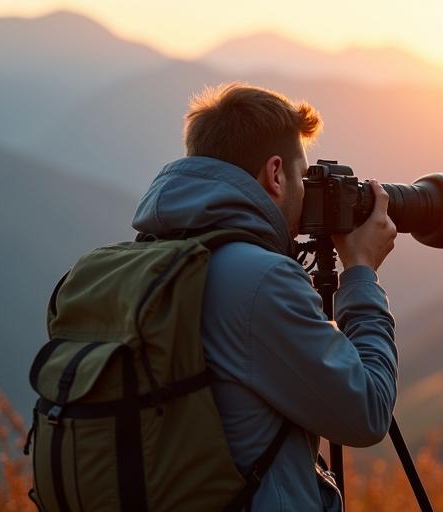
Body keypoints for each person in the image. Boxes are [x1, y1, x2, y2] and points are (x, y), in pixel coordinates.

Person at [130, 82, 398, 511]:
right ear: (275, 174)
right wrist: (362, 274)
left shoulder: (154, 260)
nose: (306, 193)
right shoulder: (259, 280)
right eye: (301, 176)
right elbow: (368, 412)